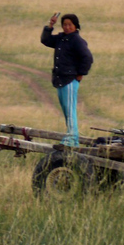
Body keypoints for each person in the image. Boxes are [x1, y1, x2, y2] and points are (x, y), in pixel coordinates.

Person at [40, 13, 93, 147]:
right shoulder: (61, 38)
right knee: (65, 109)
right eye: (64, 24)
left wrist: (81, 73)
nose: (67, 27)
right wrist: (50, 25)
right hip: (60, 79)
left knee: (70, 109)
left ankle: (72, 139)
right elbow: (45, 40)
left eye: (70, 25)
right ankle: (71, 137)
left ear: (76, 26)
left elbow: (87, 58)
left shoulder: (77, 40)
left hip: (70, 79)